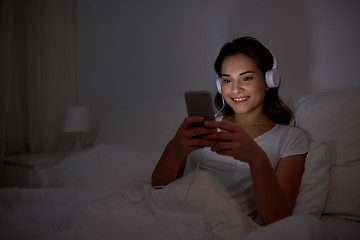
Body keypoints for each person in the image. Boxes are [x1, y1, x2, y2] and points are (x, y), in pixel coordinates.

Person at [151, 36, 309, 226]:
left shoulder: (291, 138)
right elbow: (157, 188)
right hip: (170, 216)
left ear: (269, 80)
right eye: (227, 80)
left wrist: (256, 159)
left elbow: (278, 219)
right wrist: (174, 150)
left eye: (247, 78)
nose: (235, 89)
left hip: (219, 226)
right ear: (220, 85)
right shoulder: (206, 125)